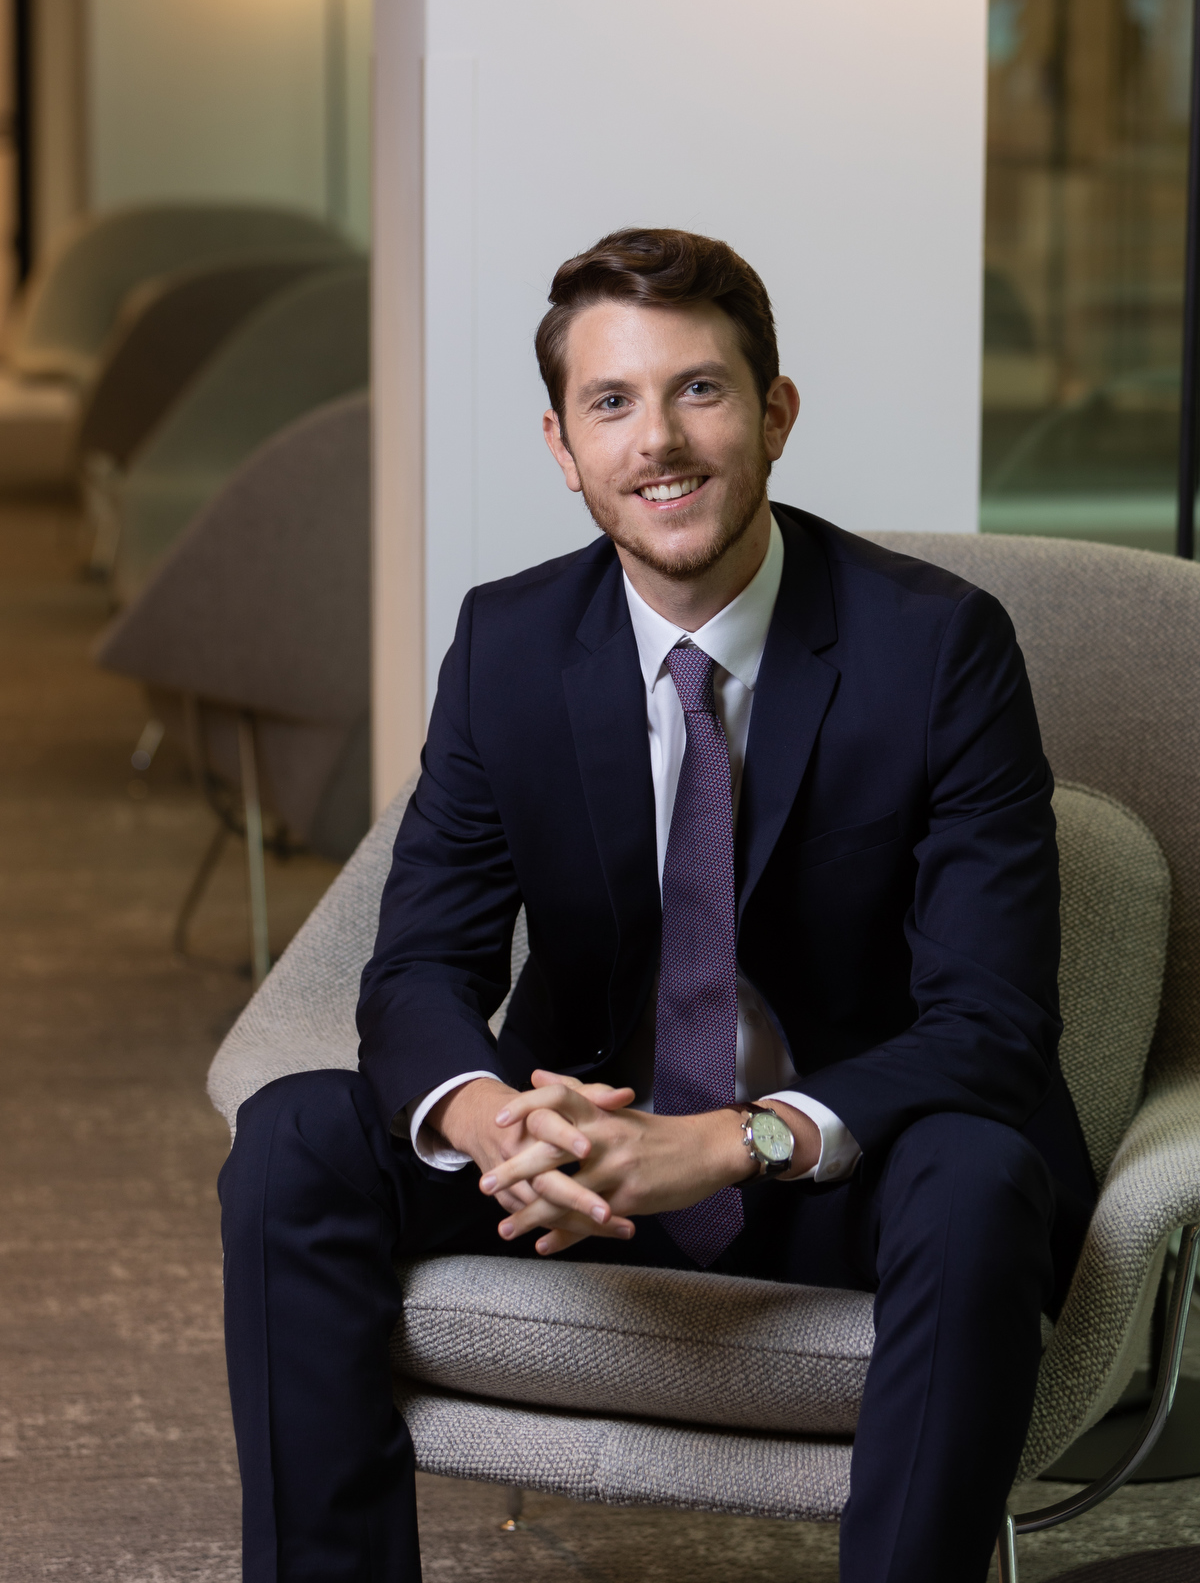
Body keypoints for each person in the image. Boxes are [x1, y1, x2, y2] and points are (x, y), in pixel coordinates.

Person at [219, 227, 1097, 1583]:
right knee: (294, 1141)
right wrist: (500, 1121)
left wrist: (728, 1142)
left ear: (776, 413)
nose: (660, 443)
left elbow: (992, 1023)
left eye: (700, 390)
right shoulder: (507, 643)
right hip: (581, 1153)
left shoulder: (939, 647)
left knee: (983, 1176)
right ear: (565, 448)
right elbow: (415, 972)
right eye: (612, 403)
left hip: (835, 1172)